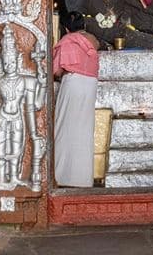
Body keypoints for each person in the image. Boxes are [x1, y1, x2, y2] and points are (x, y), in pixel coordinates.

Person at [53, 13, 100, 187]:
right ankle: (82, 179)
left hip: (73, 83)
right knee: (84, 130)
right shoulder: (93, 41)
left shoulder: (67, 40)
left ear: (66, 28)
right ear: (84, 26)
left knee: (64, 127)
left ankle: (61, 176)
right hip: (90, 85)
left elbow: (56, 71)